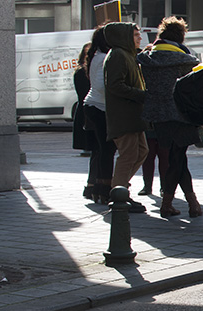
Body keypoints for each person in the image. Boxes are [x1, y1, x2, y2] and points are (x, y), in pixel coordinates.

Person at [136, 16, 202, 218]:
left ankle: (184, 203)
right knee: (177, 158)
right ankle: (184, 203)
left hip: (158, 115)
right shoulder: (186, 61)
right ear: (181, 36)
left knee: (176, 157)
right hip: (182, 114)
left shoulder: (148, 59)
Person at [103, 22, 149, 213]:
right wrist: (141, 95)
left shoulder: (128, 55)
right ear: (124, 37)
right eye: (136, 35)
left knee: (141, 151)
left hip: (134, 116)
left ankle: (122, 190)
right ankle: (118, 195)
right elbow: (115, 85)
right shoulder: (118, 55)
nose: (139, 38)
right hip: (124, 116)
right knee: (128, 155)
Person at [82, 26, 115, 206]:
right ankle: (104, 187)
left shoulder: (96, 56)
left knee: (103, 150)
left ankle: (98, 186)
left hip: (94, 105)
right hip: (100, 107)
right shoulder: (104, 58)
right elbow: (103, 86)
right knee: (106, 150)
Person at [73, 42, 96, 200]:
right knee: (96, 150)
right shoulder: (82, 72)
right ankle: (91, 185)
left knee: (97, 152)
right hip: (88, 115)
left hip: (90, 113)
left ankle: (92, 184)